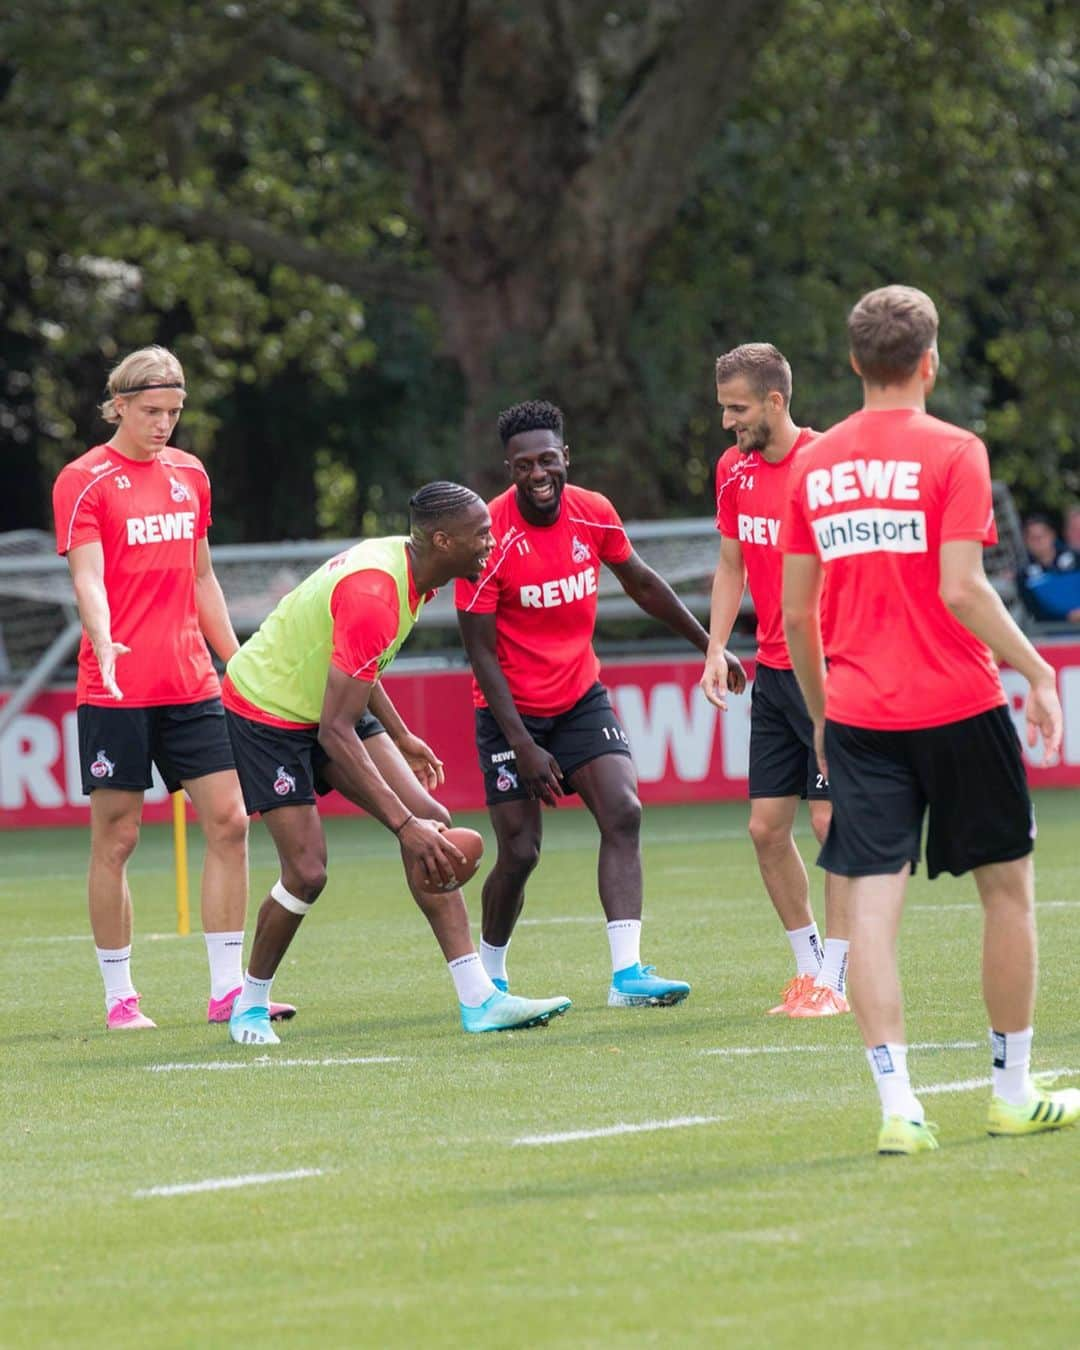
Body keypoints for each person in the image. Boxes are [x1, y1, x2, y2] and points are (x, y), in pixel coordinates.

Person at [781, 284, 1078, 1154]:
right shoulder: (956, 450)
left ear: (851, 364)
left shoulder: (815, 463)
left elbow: (797, 617)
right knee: (1008, 893)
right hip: (960, 702)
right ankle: (1012, 1092)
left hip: (862, 713)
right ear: (929, 362)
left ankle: (898, 1108)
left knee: (871, 911)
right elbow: (960, 587)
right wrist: (1036, 670)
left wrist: (822, 715)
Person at [221, 481, 572, 1045]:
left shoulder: (417, 573)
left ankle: (478, 999)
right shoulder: (376, 594)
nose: (491, 541)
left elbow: (357, 663)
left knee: (434, 821)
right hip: (267, 710)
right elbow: (336, 731)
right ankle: (250, 1004)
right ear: (442, 540)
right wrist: (402, 829)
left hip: (328, 702)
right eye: (481, 534)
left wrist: (403, 736)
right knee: (308, 872)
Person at [455, 400, 746, 1006]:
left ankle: (628, 975)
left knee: (624, 812)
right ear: (509, 469)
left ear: (566, 457)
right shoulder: (488, 536)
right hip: (511, 712)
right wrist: (523, 743)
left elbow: (641, 582)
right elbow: (479, 653)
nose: (538, 474)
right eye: (523, 464)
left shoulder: (594, 513)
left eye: (548, 460)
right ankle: (489, 976)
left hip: (580, 697)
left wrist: (711, 646)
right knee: (520, 851)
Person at [52, 346, 294, 1031]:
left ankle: (228, 992)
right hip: (118, 686)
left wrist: (236, 663)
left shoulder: (191, 473)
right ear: (119, 405)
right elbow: (88, 578)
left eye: (174, 413)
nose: (163, 425)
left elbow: (202, 578)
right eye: (151, 411)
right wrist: (101, 638)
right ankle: (120, 997)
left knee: (231, 821)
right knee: (118, 839)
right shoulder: (84, 480)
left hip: (191, 683)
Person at [700, 344, 850, 1018]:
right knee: (766, 829)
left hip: (831, 671)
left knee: (830, 820)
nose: (729, 422)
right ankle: (809, 970)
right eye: (724, 408)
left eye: (738, 408)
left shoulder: (825, 464)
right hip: (772, 675)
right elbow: (731, 563)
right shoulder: (732, 470)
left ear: (776, 401)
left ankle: (838, 981)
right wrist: (715, 648)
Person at [1020, 513, 1080, 622]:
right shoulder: (1024, 575)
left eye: (1041, 536)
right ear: (1026, 541)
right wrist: (1067, 617)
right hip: (1052, 632)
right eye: (1032, 538)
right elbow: (1034, 610)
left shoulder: (1077, 559)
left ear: (1052, 535)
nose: (1038, 541)